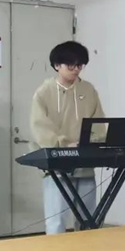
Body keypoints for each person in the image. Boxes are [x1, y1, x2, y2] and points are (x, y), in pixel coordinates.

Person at [30, 41, 105, 235]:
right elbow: (40, 127)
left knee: (89, 220)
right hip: (57, 165)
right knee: (56, 223)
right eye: (70, 65)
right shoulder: (44, 92)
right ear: (57, 65)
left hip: (85, 162)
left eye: (79, 65)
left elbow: (98, 122)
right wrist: (63, 143)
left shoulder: (88, 90)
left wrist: (91, 143)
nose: (76, 69)